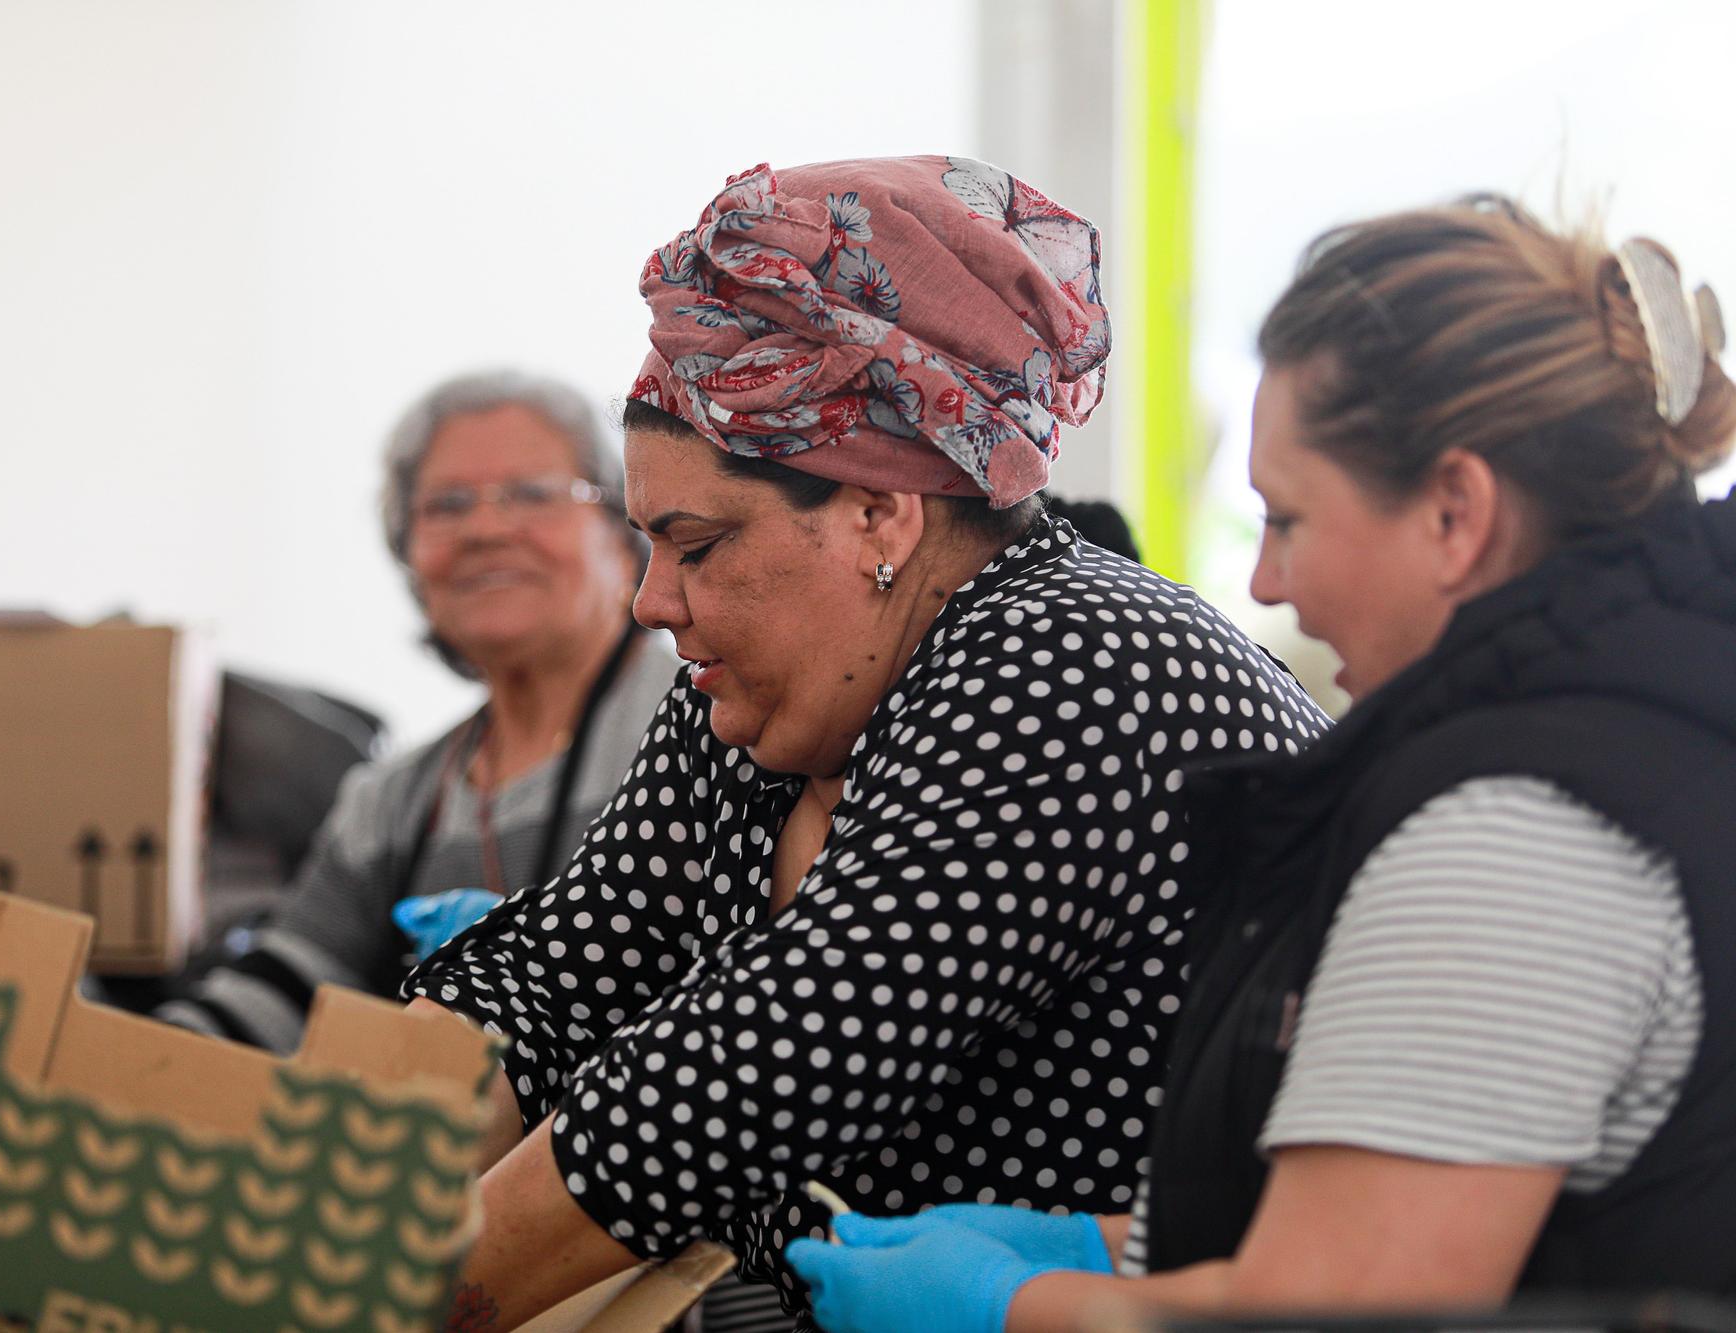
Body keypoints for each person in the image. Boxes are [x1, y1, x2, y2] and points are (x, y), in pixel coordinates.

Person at [402, 157, 1326, 1331]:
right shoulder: (764, 694)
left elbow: (747, 1071)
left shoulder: (1071, 667)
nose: (651, 601)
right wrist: (324, 1175)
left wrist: (368, 1300)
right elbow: (564, 971)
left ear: (878, 514)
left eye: (695, 544)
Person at [786, 197, 1736, 1331]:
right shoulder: (1646, 730)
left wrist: (1013, 1305)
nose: (1267, 585)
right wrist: (1117, 1245)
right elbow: (1459, 1210)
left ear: (1452, 510)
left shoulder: (1514, 837)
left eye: (1285, 520)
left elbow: (1341, 1314)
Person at [155, 369, 678, 1053]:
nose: (486, 528)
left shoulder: (706, 727)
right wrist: (125, 1057)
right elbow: (288, 995)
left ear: (623, 531)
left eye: (530, 494)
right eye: (448, 504)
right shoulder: (390, 802)